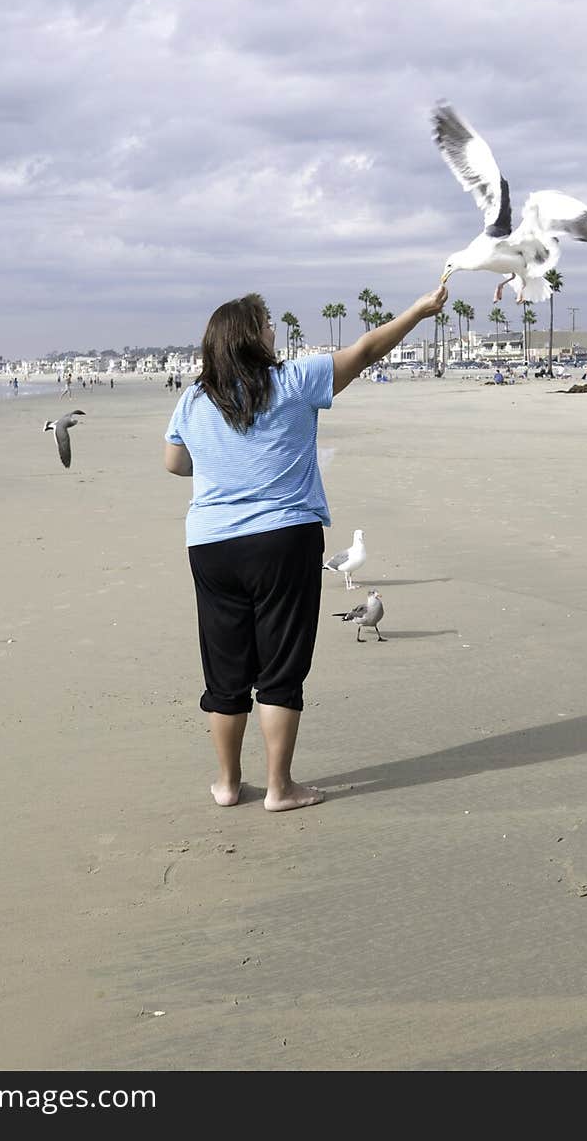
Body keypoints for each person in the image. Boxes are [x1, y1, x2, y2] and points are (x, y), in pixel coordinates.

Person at [164, 281, 448, 813]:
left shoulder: (196, 396)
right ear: (251, 337)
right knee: (280, 666)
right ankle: (279, 788)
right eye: (268, 322)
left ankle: (227, 785)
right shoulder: (295, 380)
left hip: (211, 546)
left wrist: (227, 464)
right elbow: (365, 350)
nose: (275, 329)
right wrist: (418, 309)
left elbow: (175, 463)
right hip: (283, 540)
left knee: (224, 672)